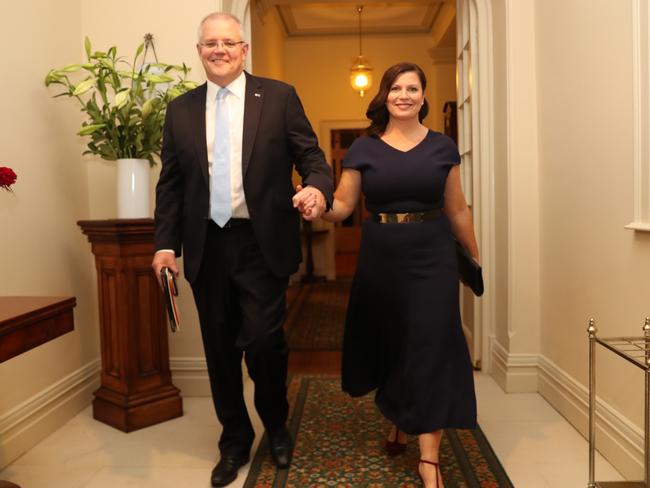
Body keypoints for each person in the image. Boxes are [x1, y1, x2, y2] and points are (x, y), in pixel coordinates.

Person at [152, 12, 333, 488]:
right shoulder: (181, 110)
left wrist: (315, 188)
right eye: (210, 43)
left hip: (261, 243)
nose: (219, 50)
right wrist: (165, 246)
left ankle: (275, 424)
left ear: (243, 49)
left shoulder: (278, 97)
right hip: (207, 244)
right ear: (199, 51)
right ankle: (234, 439)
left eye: (228, 42)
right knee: (218, 349)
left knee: (264, 341)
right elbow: (170, 184)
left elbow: (312, 157)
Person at [298, 62, 479, 488]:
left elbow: (457, 208)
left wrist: (473, 256)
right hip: (381, 257)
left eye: (412, 88)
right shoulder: (364, 149)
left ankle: (429, 459)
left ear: (423, 96)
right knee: (395, 341)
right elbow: (343, 205)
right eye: (396, 88)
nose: (404, 95)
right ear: (385, 95)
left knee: (430, 343)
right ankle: (400, 417)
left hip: (433, 254)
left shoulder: (442, 147)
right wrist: (320, 206)